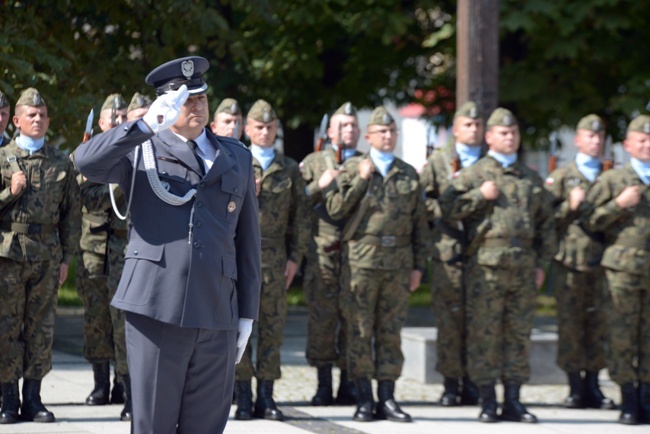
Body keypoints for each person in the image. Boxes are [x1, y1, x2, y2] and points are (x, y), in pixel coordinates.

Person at [73, 56, 261, 434]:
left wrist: (247, 313)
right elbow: (84, 161)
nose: (196, 105)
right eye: (185, 99)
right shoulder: (141, 149)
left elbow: (248, 241)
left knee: (207, 426)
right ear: (166, 104)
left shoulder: (236, 156)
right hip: (157, 308)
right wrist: (143, 125)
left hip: (217, 310)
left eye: (201, 97)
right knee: (154, 425)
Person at [439, 108, 556, 424]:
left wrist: (542, 261)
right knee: (485, 333)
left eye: (514, 132)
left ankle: (514, 400)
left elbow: (546, 222)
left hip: (523, 265)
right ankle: (488, 400)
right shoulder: (475, 173)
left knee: (518, 333)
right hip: (487, 267)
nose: (510, 137)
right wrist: (479, 195)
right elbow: (448, 209)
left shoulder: (529, 176)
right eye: (503, 133)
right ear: (489, 137)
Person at [325, 106, 429, 423]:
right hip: (361, 263)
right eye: (381, 132)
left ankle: (387, 397)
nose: (387, 136)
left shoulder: (408, 173)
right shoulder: (353, 167)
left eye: (392, 131)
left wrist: (418, 267)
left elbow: (420, 225)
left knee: (390, 332)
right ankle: (363, 398)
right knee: (359, 330)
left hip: (397, 263)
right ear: (368, 136)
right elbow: (334, 209)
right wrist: (359, 180)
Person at [0, 88, 81, 424]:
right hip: (8, 256)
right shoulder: (2, 157)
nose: (37, 119)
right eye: (30, 114)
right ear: (16, 120)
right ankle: (8, 400)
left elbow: (71, 214)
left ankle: (34, 399)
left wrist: (66, 259)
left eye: (43, 114)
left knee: (41, 328)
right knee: (6, 327)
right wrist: (10, 191)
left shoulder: (61, 162)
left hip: (47, 255)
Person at [233, 99, 310, 421]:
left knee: (272, 328)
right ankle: (243, 397)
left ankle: (267, 395)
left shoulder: (288, 168)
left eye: (270, 127)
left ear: (276, 130)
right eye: (259, 127)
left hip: (276, 255)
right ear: (247, 129)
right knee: (239, 329)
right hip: (239, 256)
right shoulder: (235, 161)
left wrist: (296, 258)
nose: (264, 132)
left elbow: (302, 217)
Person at [581, 114, 650, 425]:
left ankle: (647, 395)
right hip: (622, 272)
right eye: (642, 140)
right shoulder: (612, 180)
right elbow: (589, 220)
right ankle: (628, 398)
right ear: (627, 146)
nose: (648, 145)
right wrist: (618, 205)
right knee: (622, 335)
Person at [544, 114, 614, 410]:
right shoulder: (562, 176)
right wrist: (568, 208)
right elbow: (547, 222)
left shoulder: (613, 176)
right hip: (570, 262)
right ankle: (574, 387)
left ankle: (594, 385)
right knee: (571, 325)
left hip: (604, 262)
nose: (596, 141)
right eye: (590, 136)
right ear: (578, 140)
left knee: (599, 325)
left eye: (600, 137)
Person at [419, 101, 483, 407]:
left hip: (482, 253)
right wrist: (445, 212)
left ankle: (473, 381)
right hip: (448, 251)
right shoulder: (438, 162)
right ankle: (450, 382)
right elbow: (423, 204)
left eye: (477, 125)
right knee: (449, 322)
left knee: (479, 322)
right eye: (467, 125)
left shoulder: (489, 162)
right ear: (456, 130)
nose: (473, 129)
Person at [300, 102, 361, 406]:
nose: (349, 130)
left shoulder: (367, 162)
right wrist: (316, 187)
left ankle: (348, 384)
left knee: (353, 320)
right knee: (322, 321)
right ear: (330, 130)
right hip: (322, 253)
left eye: (353, 125)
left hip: (356, 255)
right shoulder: (313, 162)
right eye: (343, 125)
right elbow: (295, 203)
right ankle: (324, 384)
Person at [75, 94, 129, 413]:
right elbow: (85, 197)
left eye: (124, 116)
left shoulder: (134, 153)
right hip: (93, 250)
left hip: (124, 247)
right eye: (114, 117)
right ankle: (100, 383)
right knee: (96, 318)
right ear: (101, 123)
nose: (120, 121)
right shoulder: (85, 153)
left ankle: (124, 382)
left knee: (122, 319)